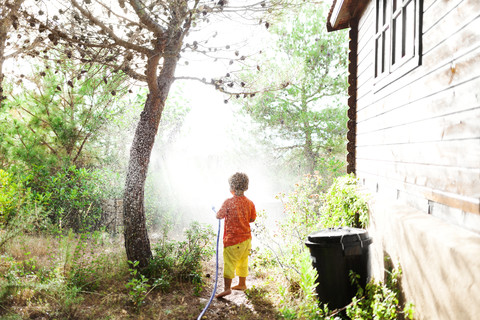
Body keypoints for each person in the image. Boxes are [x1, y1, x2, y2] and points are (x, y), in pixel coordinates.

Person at [215, 172, 256, 299]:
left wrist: (217, 212)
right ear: (246, 187)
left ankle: (227, 288)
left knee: (229, 263)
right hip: (246, 239)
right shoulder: (249, 203)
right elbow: (252, 219)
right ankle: (242, 284)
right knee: (243, 261)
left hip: (232, 241)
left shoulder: (228, 202)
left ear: (232, 188)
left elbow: (219, 215)